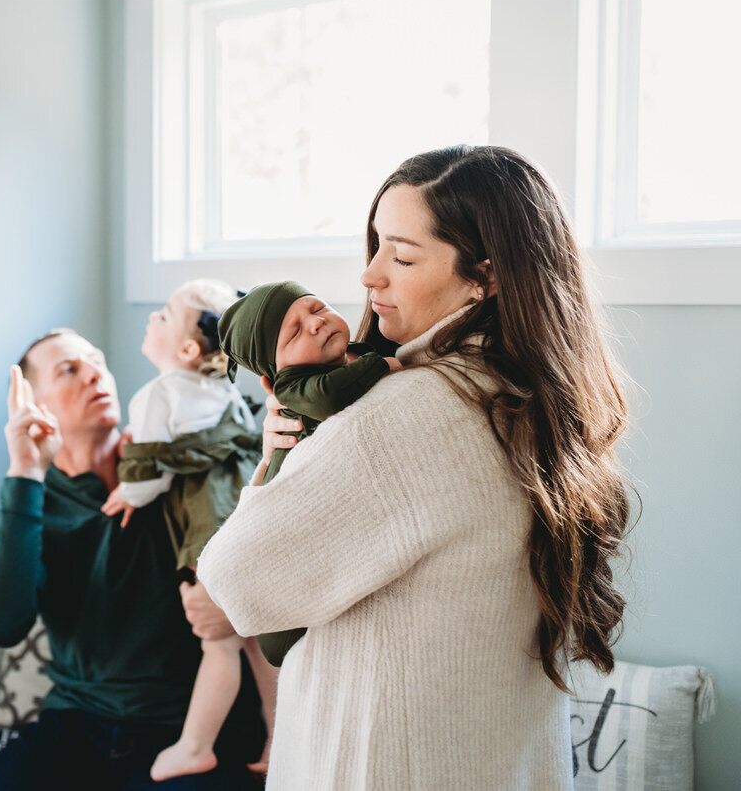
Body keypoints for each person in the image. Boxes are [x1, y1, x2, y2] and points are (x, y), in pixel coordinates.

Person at [196, 146, 633, 790]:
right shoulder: (530, 398)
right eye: (376, 247)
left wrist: (275, 464)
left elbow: (234, 580)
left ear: (486, 277)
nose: (371, 277)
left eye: (401, 257)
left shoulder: (404, 413)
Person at [0, 329, 264, 790]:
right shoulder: (32, 503)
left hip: (194, 726)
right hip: (78, 723)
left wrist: (234, 606)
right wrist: (25, 470)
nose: (94, 375)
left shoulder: (175, 467)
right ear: (37, 407)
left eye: (97, 361)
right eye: (69, 370)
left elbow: (263, 549)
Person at [96, 279, 272, 782]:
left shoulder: (158, 394)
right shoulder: (224, 388)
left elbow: (154, 471)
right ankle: (279, 734)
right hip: (251, 511)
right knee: (257, 636)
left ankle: (196, 746)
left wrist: (126, 494)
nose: (152, 319)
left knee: (218, 642)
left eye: (164, 315)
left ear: (188, 348)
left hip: (208, 522)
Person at [215, 280, 401, 667]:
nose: (315, 324)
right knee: (279, 624)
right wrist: (381, 366)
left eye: (317, 309)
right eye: (295, 332)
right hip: (285, 510)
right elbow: (330, 396)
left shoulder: (351, 355)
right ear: (273, 373)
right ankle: (277, 642)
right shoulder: (293, 385)